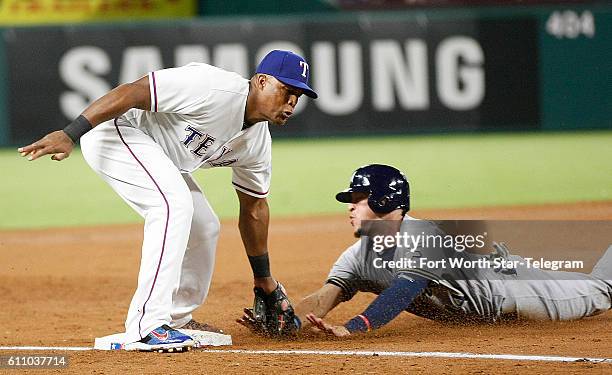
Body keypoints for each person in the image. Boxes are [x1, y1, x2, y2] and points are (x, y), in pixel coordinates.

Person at [18, 50, 317, 351]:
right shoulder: (212, 87)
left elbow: (253, 209)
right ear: (261, 82)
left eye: (298, 96)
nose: (292, 102)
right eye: (286, 91)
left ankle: (176, 319)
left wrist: (263, 278)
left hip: (157, 155)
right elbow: (133, 91)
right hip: (116, 131)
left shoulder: (256, 143)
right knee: (173, 204)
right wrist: (71, 134)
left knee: (205, 226)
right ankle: (146, 326)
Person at [238, 164, 612, 337]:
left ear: (386, 201)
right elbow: (326, 296)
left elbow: (404, 290)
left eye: (358, 199)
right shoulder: (357, 255)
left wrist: (354, 328)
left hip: (512, 290)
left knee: (603, 289)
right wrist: (289, 320)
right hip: (483, 308)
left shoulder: (425, 235)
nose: (350, 207)